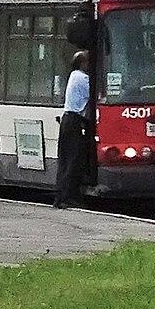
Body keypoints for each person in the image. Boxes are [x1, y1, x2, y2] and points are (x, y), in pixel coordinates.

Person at [55, 50, 93, 208]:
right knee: (73, 160)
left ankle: (61, 196)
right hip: (74, 121)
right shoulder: (82, 78)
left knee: (65, 160)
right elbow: (96, 93)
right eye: (87, 62)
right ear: (82, 63)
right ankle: (67, 197)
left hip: (68, 120)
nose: (89, 65)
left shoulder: (73, 75)